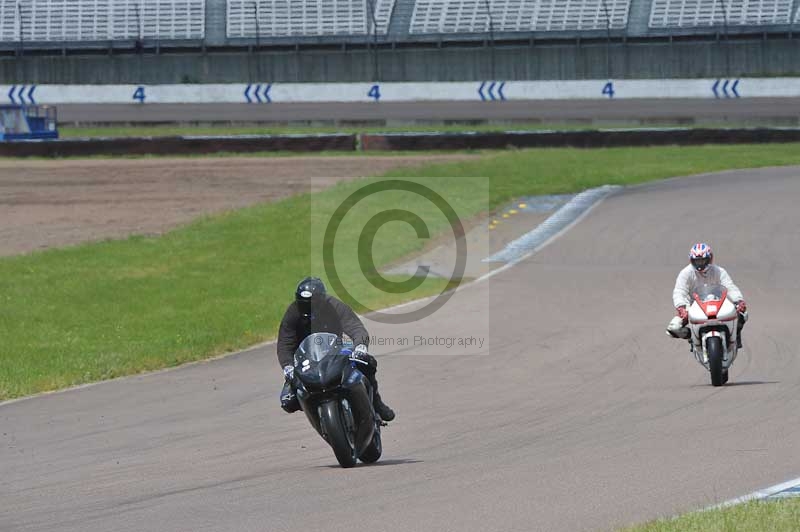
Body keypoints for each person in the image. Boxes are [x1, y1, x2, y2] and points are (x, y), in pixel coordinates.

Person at [277, 276, 395, 422]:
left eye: (312, 303)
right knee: (288, 401)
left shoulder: (334, 305)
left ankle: (376, 404)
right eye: (303, 303)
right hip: (306, 359)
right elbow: (285, 343)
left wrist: (360, 347)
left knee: (367, 363)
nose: (308, 308)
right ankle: (317, 415)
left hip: (336, 351)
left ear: (322, 300)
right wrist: (288, 366)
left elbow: (355, 327)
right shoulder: (293, 312)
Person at [666, 243, 748, 348]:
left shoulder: (719, 271)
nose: (700, 264)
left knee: (743, 314)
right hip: (695, 307)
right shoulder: (685, 273)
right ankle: (692, 336)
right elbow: (679, 291)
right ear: (691, 260)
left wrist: (739, 301)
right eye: (697, 261)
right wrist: (681, 307)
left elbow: (730, 287)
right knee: (673, 329)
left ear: (710, 259)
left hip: (719, 304)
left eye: (702, 260)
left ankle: (735, 336)